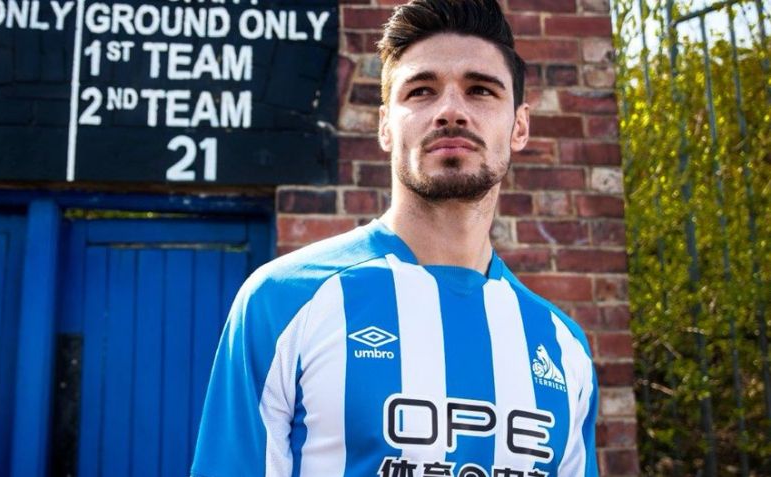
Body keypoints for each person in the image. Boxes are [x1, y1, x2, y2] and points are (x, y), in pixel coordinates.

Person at [191, 0, 599, 475]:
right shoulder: (282, 301)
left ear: (520, 126)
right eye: (422, 91)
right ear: (385, 125)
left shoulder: (563, 346)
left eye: (481, 90)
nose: (451, 111)